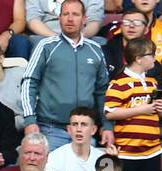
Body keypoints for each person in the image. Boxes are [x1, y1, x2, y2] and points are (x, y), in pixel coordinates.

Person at [20, 0, 113, 151]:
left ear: (84, 19)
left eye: (75, 14)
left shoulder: (95, 49)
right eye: (65, 14)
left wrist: (107, 125)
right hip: (50, 130)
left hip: (84, 131)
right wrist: (30, 120)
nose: (70, 19)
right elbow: (29, 83)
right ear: (59, 18)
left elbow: (103, 91)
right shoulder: (46, 46)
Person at [103, 37, 162, 171]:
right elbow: (110, 112)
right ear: (138, 59)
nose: (154, 58)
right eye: (151, 54)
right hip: (126, 151)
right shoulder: (118, 83)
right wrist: (140, 110)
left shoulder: (153, 82)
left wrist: (161, 110)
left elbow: (156, 113)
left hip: (152, 150)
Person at [46, 105, 107, 171]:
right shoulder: (54, 158)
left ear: (93, 130)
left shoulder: (103, 159)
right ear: (69, 129)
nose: (78, 129)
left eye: (84, 124)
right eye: (74, 124)